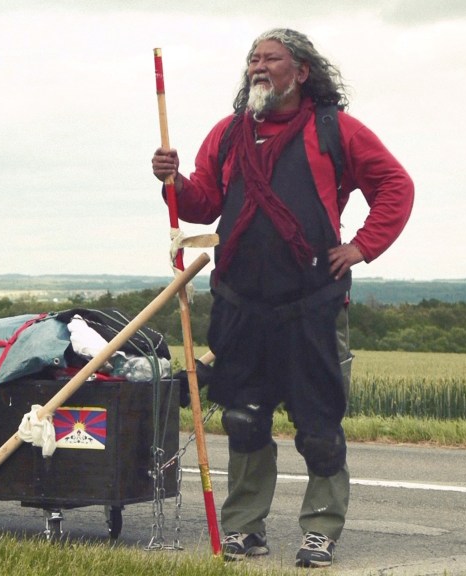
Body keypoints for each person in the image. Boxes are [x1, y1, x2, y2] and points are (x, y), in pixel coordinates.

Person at [151, 28, 413, 568]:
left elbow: (396, 185)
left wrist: (361, 247)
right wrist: (173, 181)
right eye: (253, 59)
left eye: (271, 59)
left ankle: (320, 531)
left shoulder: (334, 130)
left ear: (302, 72)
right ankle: (245, 529)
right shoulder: (227, 134)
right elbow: (203, 203)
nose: (258, 67)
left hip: (312, 306)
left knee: (319, 429)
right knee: (244, 419)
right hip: (239, 304)